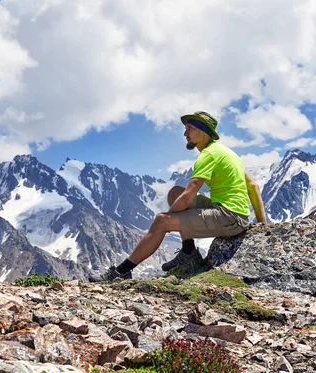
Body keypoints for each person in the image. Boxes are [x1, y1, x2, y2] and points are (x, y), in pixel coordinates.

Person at [89, 110, 267, 282]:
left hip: (228, 217)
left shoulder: (208, 155)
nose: (185, 133)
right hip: (231, 214)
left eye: (190, 128)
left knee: (161, 221)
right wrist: (263, 226)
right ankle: (188, 252)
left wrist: (168, 219)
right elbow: (253, 186)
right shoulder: (226, 152)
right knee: (175, 193)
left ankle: (121, 271)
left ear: (203, 132)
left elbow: (189, 197)